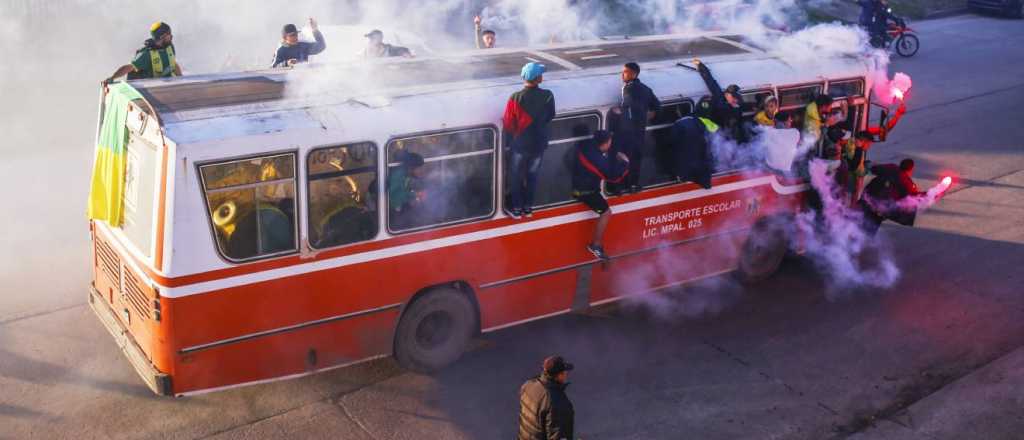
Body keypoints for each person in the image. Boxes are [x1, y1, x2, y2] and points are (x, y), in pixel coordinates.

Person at [503, 62, 556, 219]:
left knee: (516, 176)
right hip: (539, 145)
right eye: (541, 74)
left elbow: (508, 123)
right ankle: (528, 207)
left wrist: (516, 135)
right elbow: (550, 115)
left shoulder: (515, 97)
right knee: (532, 176)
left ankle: (517, 208)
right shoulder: (548, 95)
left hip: (520, 144)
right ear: (538, 78)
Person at [573, 130, 629, 260]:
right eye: (610, 141)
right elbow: (613, 178)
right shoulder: (597, 159)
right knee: (606, 212)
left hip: (577, 182)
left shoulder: (587, 147)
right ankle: (595, 245)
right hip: (585, 192)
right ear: (605, 143)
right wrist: (625, 163)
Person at [609, 62, 660, 193]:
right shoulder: (646, 89)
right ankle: (633, 185)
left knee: (622, 158)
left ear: (634, 74)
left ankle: (617, 186)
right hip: (640, 131)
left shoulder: (628, 88)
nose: (622, 74)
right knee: (636, 159)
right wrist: (644, 116)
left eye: (625, 72)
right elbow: (657, 106)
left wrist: (617, 111)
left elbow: (626, 105)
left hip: (627, 132)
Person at [103, 21, 182, 84]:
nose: (171, 36)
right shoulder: (146, 54)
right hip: (151, 91)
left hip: (167, 86)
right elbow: (129, 67)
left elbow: (173, 64)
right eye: (169, 33)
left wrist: (181, 79)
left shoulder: (170, 46)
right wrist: (112, 78)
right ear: (162, 36)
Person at [859, 158, 923, 235]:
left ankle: (850, 234)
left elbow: (875, 169)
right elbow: (915, 198)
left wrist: (869, 164)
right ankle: (856, 240)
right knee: (870, 228)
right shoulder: (907, 182)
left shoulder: (891, 167)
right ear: (911, 169)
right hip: (881, 207)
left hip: (869, 197)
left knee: (859, 218)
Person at [518, 356, 575, 440]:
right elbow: (558, 435)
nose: (566, 374)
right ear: (559, 375)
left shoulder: (527, 386)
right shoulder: (557, 401)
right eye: (564, 372)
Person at [693, 58, 749, 142]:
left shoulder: (739, 102)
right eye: (732, 96)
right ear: (726, 94)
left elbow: (745, 108)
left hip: (733, 132)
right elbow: (710, 81)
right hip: (717, 132)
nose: (735, 99)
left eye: (735, 97)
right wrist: (700, 66)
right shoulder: (719, 97)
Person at [669, 109, 719, 190]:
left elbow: (673, 145)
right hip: (704, 163)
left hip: (689, 166)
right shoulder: (702, 121)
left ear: (678, 112)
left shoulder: (678, 125)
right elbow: (716, 134)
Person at [387, 150, 426, 219]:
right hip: (392, 210)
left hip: (401, 206)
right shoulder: (397, 175)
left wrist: (413, 198)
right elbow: (391, 195)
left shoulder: (407, 174)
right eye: (419, 168)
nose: (422, 171)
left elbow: (405, 189)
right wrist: (414, 195)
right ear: (411, 168)